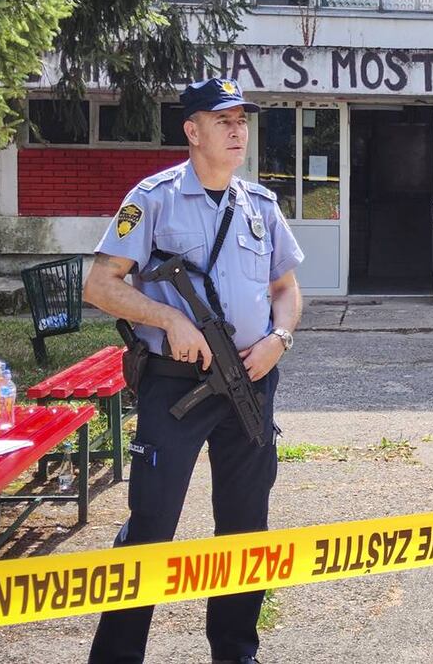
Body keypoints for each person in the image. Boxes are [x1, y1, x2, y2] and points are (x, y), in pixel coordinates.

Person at [83, 78, 304, 664]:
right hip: (175, 384)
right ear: (192, 130)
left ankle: (236, 652)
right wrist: (169, 319)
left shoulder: (260, 205)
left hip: (251, 381)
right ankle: (116, 658)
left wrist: (279, 339)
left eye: (242, 121)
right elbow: (100, 285)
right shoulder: (152, 199)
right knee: (151, 525)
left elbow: (286, 288)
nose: (238, 131)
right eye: (223, 121)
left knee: (245, 525)